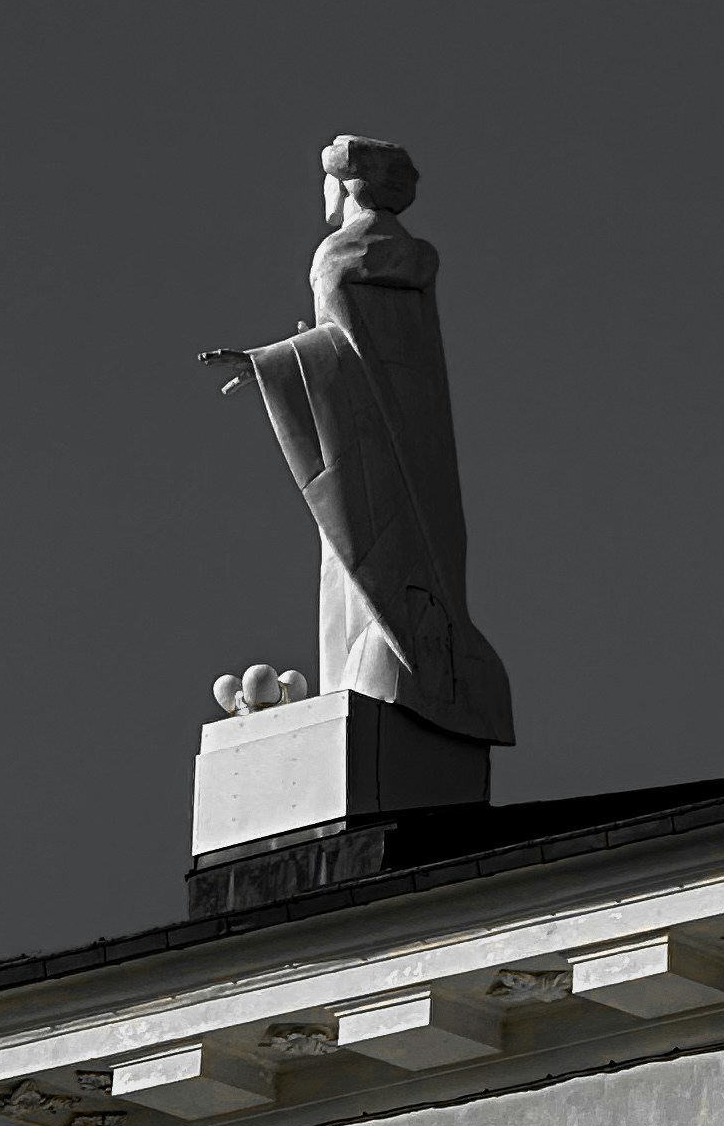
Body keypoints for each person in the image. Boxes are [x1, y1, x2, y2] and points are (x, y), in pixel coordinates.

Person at [220, 137, 515, 745]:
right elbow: (369, 355)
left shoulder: (339, 255)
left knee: (365, 560)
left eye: (327, 181)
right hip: (413, 442)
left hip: (371, 448)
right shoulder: (403, 256)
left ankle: (391, 674)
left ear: (346, 185)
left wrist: (272, 363)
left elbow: (349, 356)